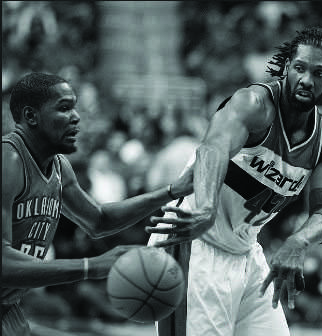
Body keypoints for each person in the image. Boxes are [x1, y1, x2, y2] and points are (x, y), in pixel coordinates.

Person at [147, 27, 322, 336]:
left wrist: (299, 240)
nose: (307, 80)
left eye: (319, 73)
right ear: (286, 67)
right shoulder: (253, 104)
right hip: (193, 241)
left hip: (246, 252)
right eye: (300, 68)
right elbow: (212, 149)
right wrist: (206, 206)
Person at [1, 72, 193, 336]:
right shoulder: (8, 160)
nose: (76, 117)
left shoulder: (59, 167)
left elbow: (98, 220)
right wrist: (91, 266)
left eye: (75, 107)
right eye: (64, 108)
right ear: (31, 116)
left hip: (9, 308)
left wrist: (171, 191)